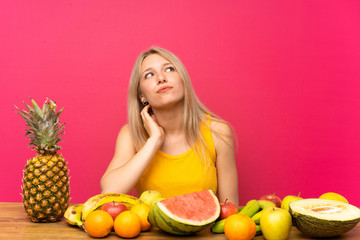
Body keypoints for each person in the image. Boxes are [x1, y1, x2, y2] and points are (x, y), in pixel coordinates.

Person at [100, 47, 239, 205]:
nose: (161, 78)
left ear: (183, 81)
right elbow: (109, 191)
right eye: (149, 75)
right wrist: (154, 140)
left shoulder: (218, 132)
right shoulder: (131, 135)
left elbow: (230, 211)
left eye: (169, 69)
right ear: (142, 96)